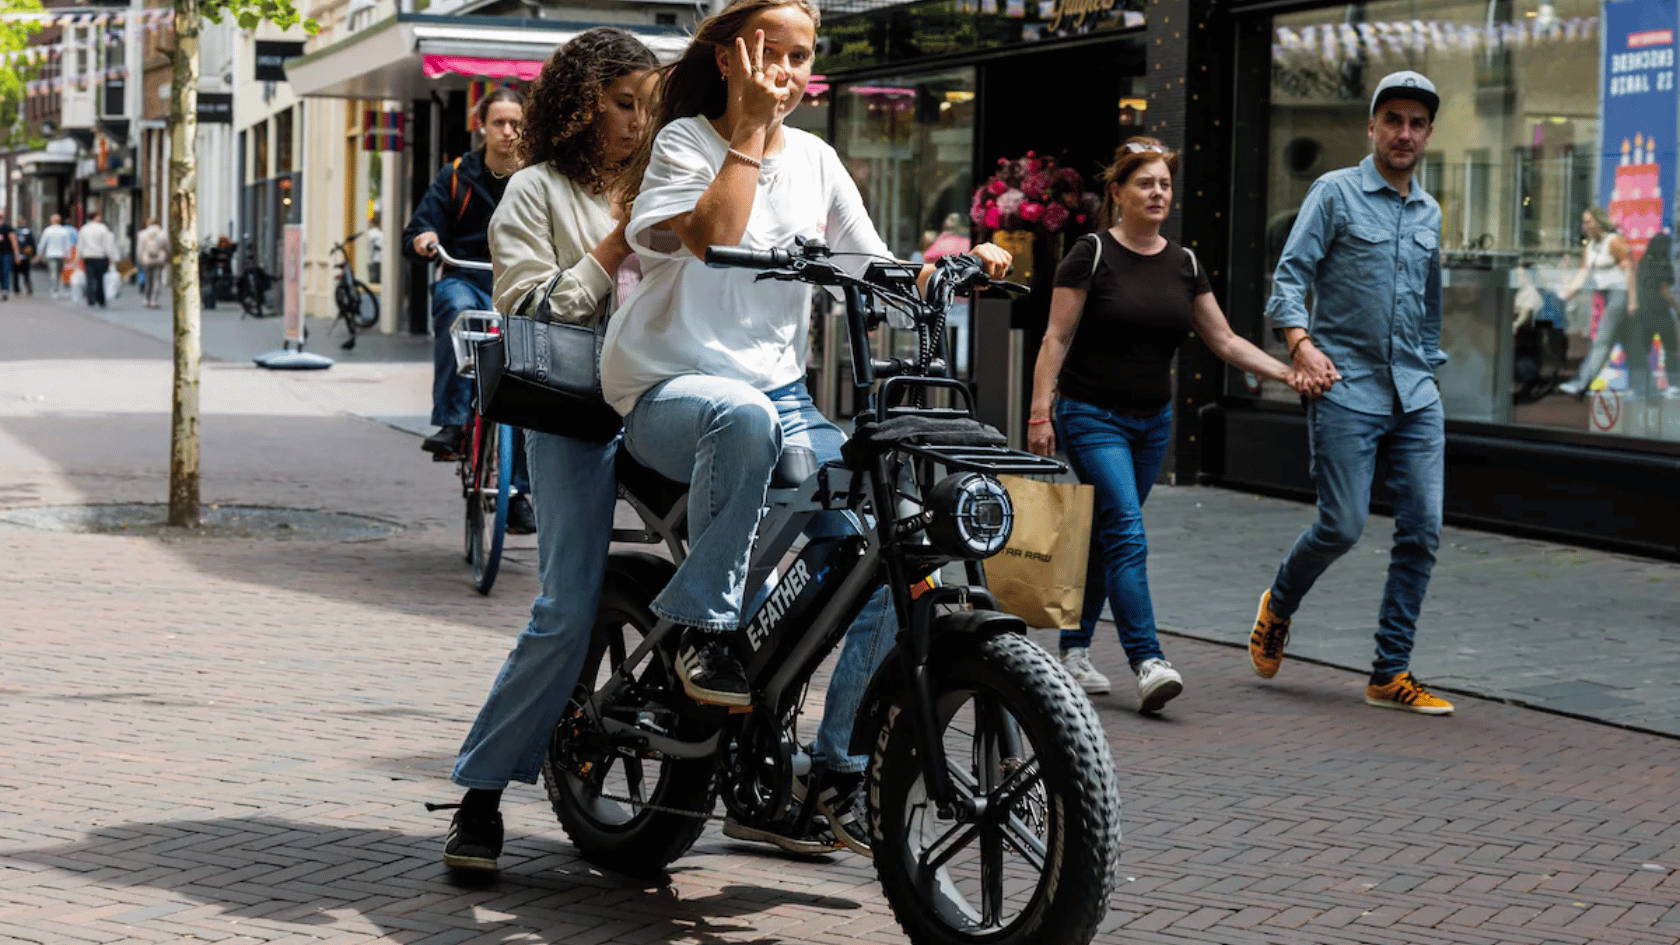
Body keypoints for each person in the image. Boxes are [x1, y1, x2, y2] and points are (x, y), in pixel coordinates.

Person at [599, 0, 1012, 856]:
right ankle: (707, 633)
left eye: (801, 56)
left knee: (896, 540)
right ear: (728, 59)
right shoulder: (684, 147)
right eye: (770, 54)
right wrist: (746, 131)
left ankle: (835, 769)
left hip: (782, 399)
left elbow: (876, 267)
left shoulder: (818, 160)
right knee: (747, 417)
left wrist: (948, 265)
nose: (788, 72)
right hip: (670, 390)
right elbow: (711, 237)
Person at [438, 28, 657, 875]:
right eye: (623, 104)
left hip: (666, 398)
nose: (638, 123)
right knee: (565, 604)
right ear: (579, 103)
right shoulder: (533, 190)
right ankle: (482, 793)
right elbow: (533, 310)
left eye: (649, 105)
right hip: (573, 408)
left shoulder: (668, 179)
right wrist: (617, 242)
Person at [1026, 137, 1310, 713]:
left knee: (1112, 535)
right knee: (1128, 532)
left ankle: (1075, 649)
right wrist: (1039, 413)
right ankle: (1148, 659)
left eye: (1164, 184)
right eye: (1145, 183)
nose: (1158, 193)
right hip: (1090, 416)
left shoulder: (1184, 263)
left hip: (1152, 423)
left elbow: (1224, 339)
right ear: (1118, 193)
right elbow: (1055, 337)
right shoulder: (1090, 252)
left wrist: (1288, 373)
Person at [1251, 70, 1455, 716]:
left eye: (1416, 123)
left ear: (1426, 134)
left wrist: (1429, 363)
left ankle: (1389, 671)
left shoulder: (1430, 211)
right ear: (1371, 127)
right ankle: (1279, 601)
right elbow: (1291, 275)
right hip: (1346, 387)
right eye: (1392, 119)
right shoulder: (1335, 193)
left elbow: (1429, 303)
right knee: (1340, 525)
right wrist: (1301, 345)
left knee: (1422, 528)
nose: (1404, 133)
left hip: (1415, 394)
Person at [403, 86, 536, 534]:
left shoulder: (536, 177)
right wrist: (424, 238)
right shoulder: (457, 176)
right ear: (482, 126)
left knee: (525, 382)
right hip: (468, 278)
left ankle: (517, 493)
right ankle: (454, 422)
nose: (508, 131)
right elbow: (420, 227)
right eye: (498, 122)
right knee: (454, 306)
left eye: (516, 123)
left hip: (519, 283)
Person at [1556, 206, 1636, 399]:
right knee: (1629, 343)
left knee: (1601, 341)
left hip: (1620, 294)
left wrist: (1632, 301)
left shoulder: (1614, 241)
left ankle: (1581, 384)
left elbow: (1630, 271)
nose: (1584, 226)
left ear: (1599, 222)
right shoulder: (1591, 247)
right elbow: (1583, 274)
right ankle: (1642, 385)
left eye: (1588, 221)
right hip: (1608, 296)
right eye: (1584, 222)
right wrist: (1568, 292)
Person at [1627, 230, 1678, 401]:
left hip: (1643, 311)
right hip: (1660, 312)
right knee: (1671, 348)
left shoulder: (1643, 261)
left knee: (1642, 351)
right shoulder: (1664, 263)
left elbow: (1635, 281)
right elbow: (1664, 291)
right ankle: (1674, 385)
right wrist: (1677, 307)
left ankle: (1639, 386)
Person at [77, 212, 119, 308]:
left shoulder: (84, 229)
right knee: (100, 279)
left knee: (89, 278)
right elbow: (107, 244)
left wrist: (78, 257)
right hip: (100, 256)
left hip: (88, 256)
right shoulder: (103, 229)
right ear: (95, 217)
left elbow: (80, 244)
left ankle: (90, 299)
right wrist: (111, 257)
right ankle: (100, 299)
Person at [38, 213, 74, 300]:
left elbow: (42, 243)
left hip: (51, 254)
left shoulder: (48, 230)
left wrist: (39, 253)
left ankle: (55, 290)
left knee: (53, 273)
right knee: (59, 272)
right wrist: (68, 255)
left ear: (51, 220)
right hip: (61, 254)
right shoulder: (63, 231)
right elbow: (68, 244)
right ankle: (56, 288)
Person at [137, 218, 169, 309]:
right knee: (157, 279)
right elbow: (167, 247)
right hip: (160, 258)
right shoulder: (163, 234)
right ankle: (154, 300)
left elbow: (140, 249)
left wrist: (140, 260)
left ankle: (147, 299)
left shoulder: (142, 234)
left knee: (148, 280)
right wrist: (168, 257)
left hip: (147, 259)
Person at [12, 217, 36, 296]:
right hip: (18, 255)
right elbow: (32, 243)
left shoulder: (24, 231)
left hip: (23, 255)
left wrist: (32, 252)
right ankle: (17, 289)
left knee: (23, 273)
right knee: (19, 273)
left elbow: (32, 243)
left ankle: (21, 289)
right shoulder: (15, 231)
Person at [0, 211, 17, 301]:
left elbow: (14, 241)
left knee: (5, 272)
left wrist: (16, 255)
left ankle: (5, 290)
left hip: (6, 253)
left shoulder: (8, 227)